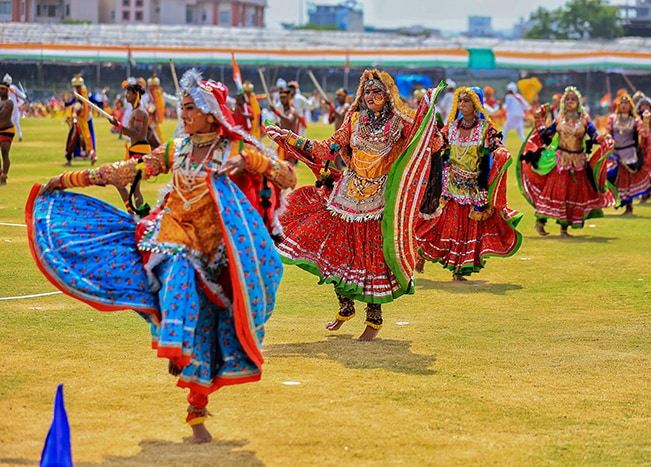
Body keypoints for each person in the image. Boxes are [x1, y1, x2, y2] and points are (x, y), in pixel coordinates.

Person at [27, 69, 296, 444]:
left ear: (210, 112)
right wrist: (70, 180)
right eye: (182, 107)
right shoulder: (178, 148)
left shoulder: (235, 150)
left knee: (210, 334)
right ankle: (174, 340)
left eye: (189, 108)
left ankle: (196, 409)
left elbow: (287, 177)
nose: (181, 114)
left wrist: (253, 163)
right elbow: (131, 168)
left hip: (214, 253)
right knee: (177, 268)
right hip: (170, 233)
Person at [266, 69, 444, 341]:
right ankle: (345, 307)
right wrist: (289, 137)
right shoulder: (354, 119)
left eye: (377, 91)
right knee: (337, 250)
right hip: (346, 194)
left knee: (372, 257)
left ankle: (374, 319)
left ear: (387, 94)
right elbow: (327, 148)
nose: (371, 96)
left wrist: (432, 129)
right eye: (367, 91)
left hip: (380, 197)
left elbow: (428, 144)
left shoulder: (400, 122)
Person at [415, 87, 522, 280]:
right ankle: (421, 253)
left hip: (474, 186)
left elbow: (496, 145)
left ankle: (458, 270)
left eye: (467, 101)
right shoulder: (452, 127)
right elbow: (439, 144)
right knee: (441, 224)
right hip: (451, 185)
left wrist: (500, 152)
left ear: (476, 104)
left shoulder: (485, 128)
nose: (462, 104)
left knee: (466, 228)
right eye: (461, 101)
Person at [519, 86, 614, 237]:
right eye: (567, 99)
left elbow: (594, 135)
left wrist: (604, 139)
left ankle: (564, 229)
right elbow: (546, 134)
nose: (570, 101)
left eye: (573, 99)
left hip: (578, 162)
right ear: (564, 101)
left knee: (573, 194)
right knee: (555, 192)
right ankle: (540, 222)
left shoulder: (584, 119)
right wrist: (540, 121)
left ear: (578, 102)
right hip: (561, 161)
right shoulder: (559, 118)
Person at [604, 93, 651, 215]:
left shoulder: (635, 121)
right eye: (622, 103)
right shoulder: (612, 118)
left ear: (631, 106)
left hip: (628, 153)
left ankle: (628, 207)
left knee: (626, 181)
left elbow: (644, 133)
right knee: (609, 177)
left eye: (626, 104)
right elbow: (608, 133)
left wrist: (646, 120)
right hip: (614, 154)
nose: (624, 106)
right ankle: (612, 200)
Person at [108, 81, 153, 215]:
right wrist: (120, 126)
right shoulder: (135, 111)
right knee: (132, 187)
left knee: (121, 182)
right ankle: (136, 215)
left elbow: (138, 135)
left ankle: (135, 215)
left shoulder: (139, 112)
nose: (126, 95)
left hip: (139, 152)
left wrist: (120, 126)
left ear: (136, 94)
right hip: (135, 150)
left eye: (129, 92)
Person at [65, 74, 101, 164]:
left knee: (75, 139)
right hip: (83, 118)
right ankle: (90, 154)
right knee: (87, 138)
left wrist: (73, 112)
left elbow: (78, 104)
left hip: (82, 119)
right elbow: (75, 102)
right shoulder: (80, 93)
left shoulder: (82, 94)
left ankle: (87, 154)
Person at [0, 77, 15, 185]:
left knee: (4, 153)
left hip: (7, 130)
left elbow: (2, 115)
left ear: (7, 90)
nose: (0, 91)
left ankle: (4, 176)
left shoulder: (9, 102)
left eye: (2, 89)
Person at [2, 74, 26, 142]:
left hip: (8, 106)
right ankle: (20, 135)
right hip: (15, 106)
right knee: (17, 122)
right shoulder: (14, 87)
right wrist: (24, 96)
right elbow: (21, 95)